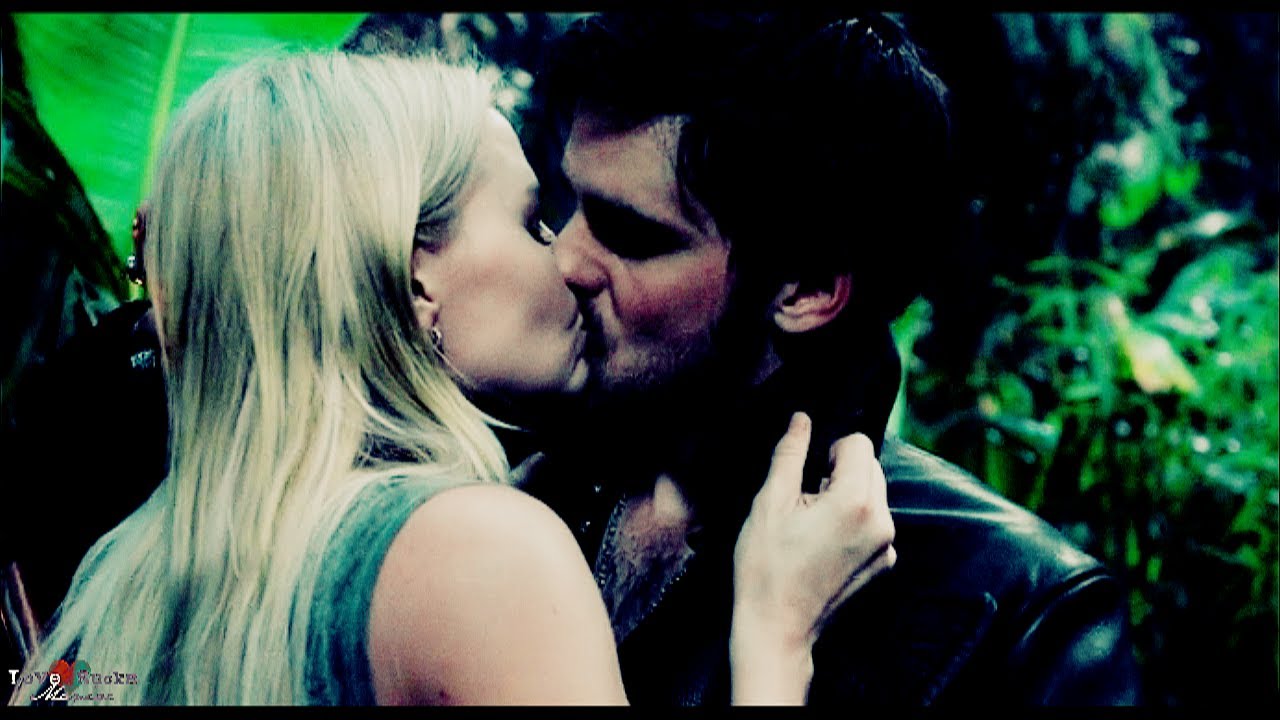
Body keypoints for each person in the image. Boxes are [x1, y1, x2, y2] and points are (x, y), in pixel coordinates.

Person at [7, 50, 897, 705]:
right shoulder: (483, 552)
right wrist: (776, 640)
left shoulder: (119, 574)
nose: (568, 259)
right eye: (532, 220)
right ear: (413, 280)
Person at [515, 11, 1143, 705]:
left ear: (808, 289)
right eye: (568, 203)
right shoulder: (512, 462)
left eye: (629, 234)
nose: (564, 257)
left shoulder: (1021, 617)